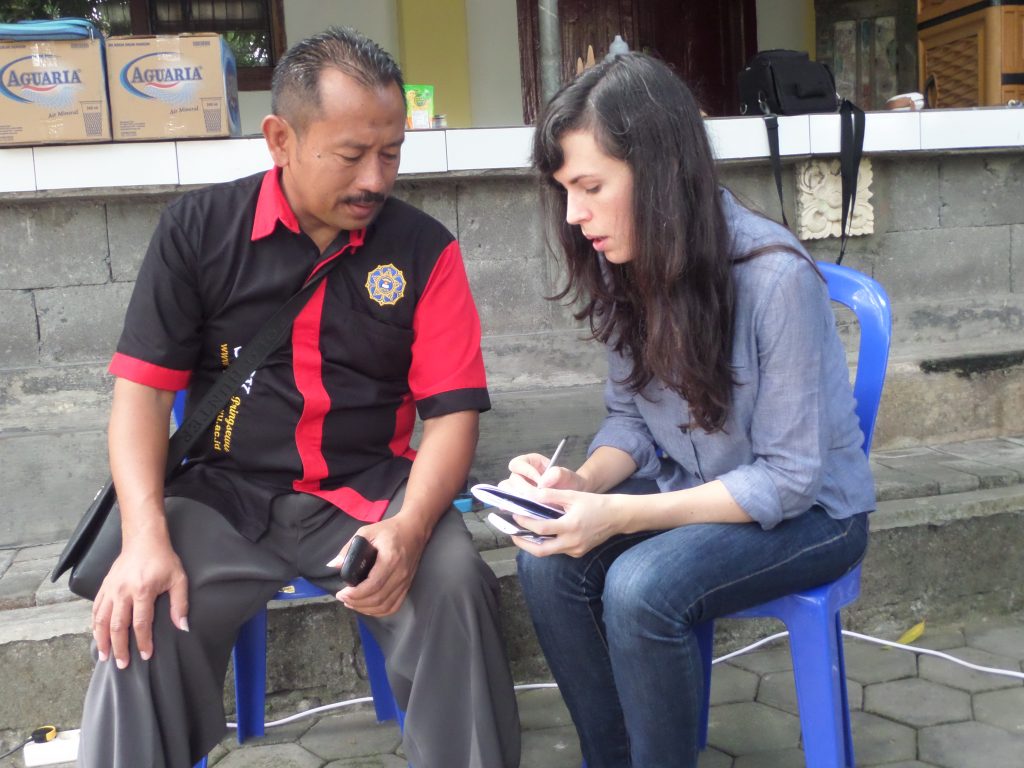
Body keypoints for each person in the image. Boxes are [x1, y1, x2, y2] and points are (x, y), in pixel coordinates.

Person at [80, 27, 520, 768]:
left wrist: (410, 529)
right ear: (280, 139)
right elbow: (142, 399)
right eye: (352, 155)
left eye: (391, 153)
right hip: (225, 496)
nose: (376, 179)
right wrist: (144, 536)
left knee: (454, 583)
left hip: (369, 494)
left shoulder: (425, 250)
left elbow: (451, 415)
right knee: (138, 608)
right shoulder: (198, 233)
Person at [499, 53, 875, 768]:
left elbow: (789, 480)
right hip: (698, 487)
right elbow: (630, 420)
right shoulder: (623, 262)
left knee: (641, 588)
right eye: (565, 192)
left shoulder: (774, 278)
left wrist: (621, 515)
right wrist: (582, 485)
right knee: (548, 563)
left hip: (815, 515)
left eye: (591, 187)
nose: (575, 216)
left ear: (660, 173)